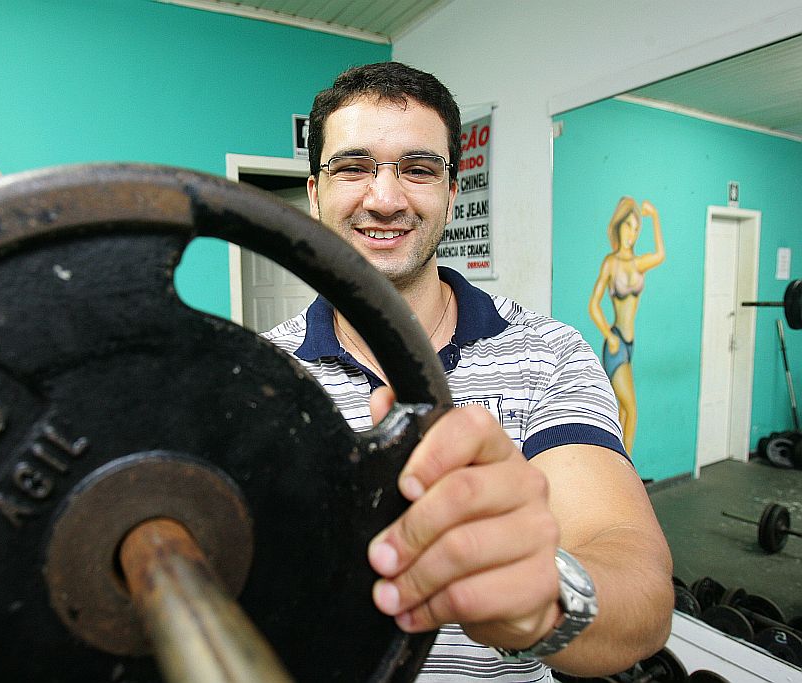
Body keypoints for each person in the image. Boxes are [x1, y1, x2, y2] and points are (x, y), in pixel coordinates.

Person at [263, 62, 673, 680]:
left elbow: (639, 591)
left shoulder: (550, 353)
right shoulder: (264, 375)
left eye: (419, 169)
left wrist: (541, 601)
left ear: (453, 192)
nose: (385, 198)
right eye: (352, 167)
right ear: (315, 191)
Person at [588, 197, 665, 455]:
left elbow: (660, 255)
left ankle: (616, 465)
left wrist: (654, 218)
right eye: (628, 226)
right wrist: (609, 336)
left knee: (621, 411)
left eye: (636, 228)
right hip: (616, 343)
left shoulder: (637, 263)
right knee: (631, 409)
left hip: (630, 346)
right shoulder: (611, 263)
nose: (631, 233)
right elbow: (594, 305)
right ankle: (627, 468)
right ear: (618, 226)